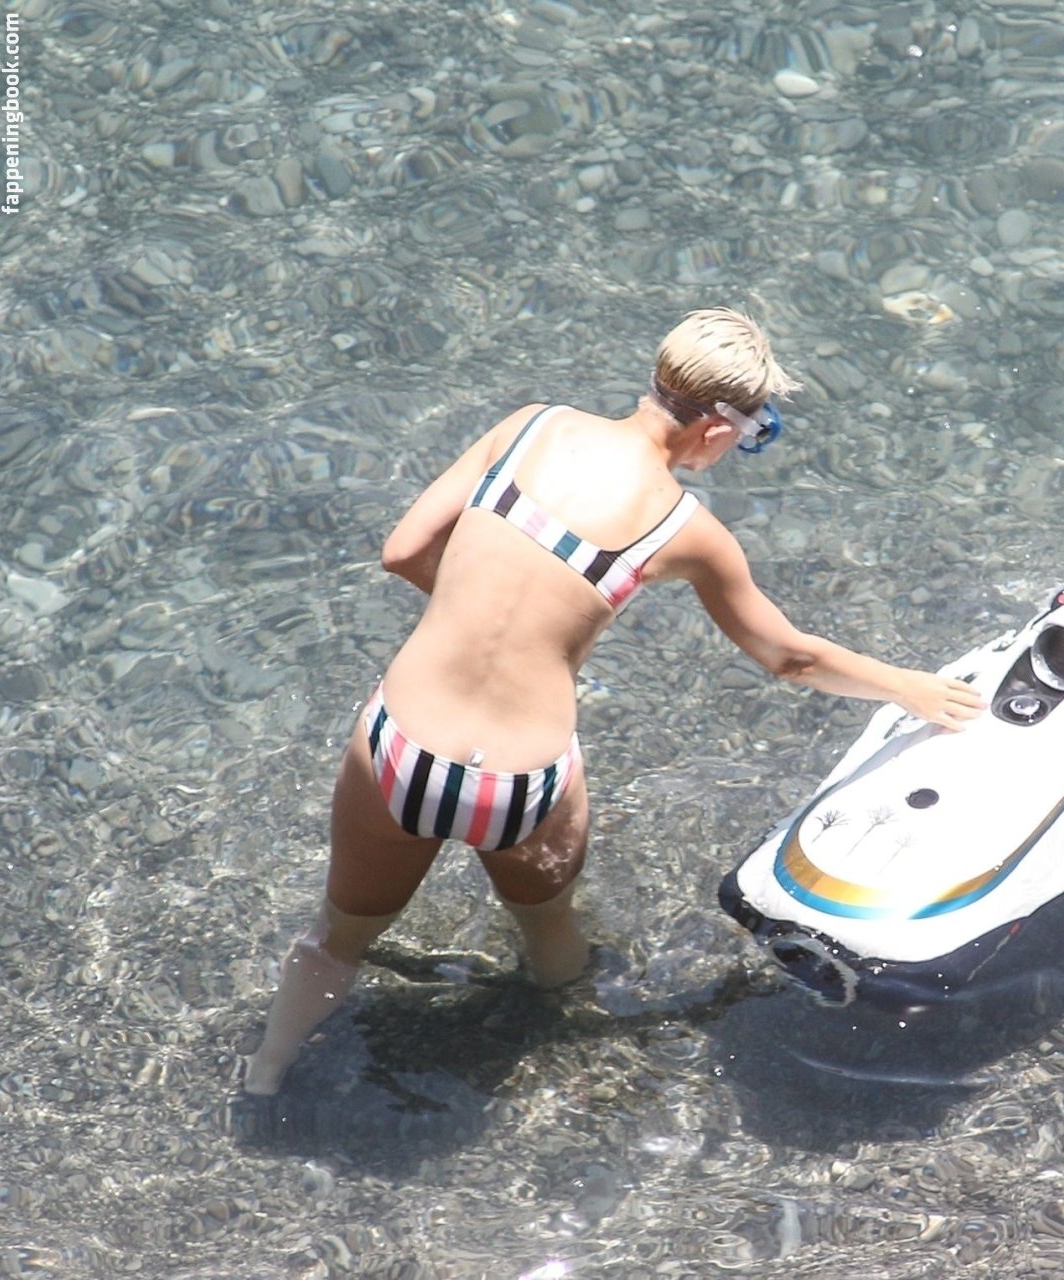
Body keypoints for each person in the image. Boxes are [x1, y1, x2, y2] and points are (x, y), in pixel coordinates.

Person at [244, 307, 983, 1095]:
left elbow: (402, 552)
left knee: (337, 939)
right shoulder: (688, 530)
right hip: (519, 781)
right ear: (718, 428)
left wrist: (476, 608)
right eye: (754, 433)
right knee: (550, 935)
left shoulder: (531, 426)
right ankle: (566, 1068)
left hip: (402, 744)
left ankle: (266, 1072)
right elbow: (790, 657)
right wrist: (910, 687)